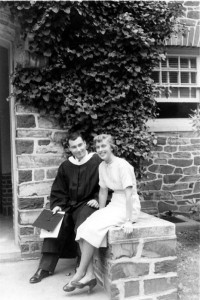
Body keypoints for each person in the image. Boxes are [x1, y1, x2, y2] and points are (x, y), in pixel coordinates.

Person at [63, 134, 141, 293]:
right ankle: (90, 275)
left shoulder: (122, 165)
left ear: (111, 147)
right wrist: (100, 213)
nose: (100, 150)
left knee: (93, 228)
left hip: (128, 205)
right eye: (98, 147)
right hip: (114, 205)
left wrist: (128, 220)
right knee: (83, 228)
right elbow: (103, 192)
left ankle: (80, 273)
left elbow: (129, 194)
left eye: (103, 146)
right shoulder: (102, 166)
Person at [30, 131, 102, 284]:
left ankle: (81, 264)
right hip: (69, 204)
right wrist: (56, 205)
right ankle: (45, 267)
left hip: (88, 203)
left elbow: (106, 185)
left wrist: (97, 199)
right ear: (70, 149)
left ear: (86, 144)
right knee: (51, 218)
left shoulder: (97, 161)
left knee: (83, 221)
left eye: (80, 145)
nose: (78, 149)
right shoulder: (66, 166)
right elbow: (58, 190)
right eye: (74, 147)